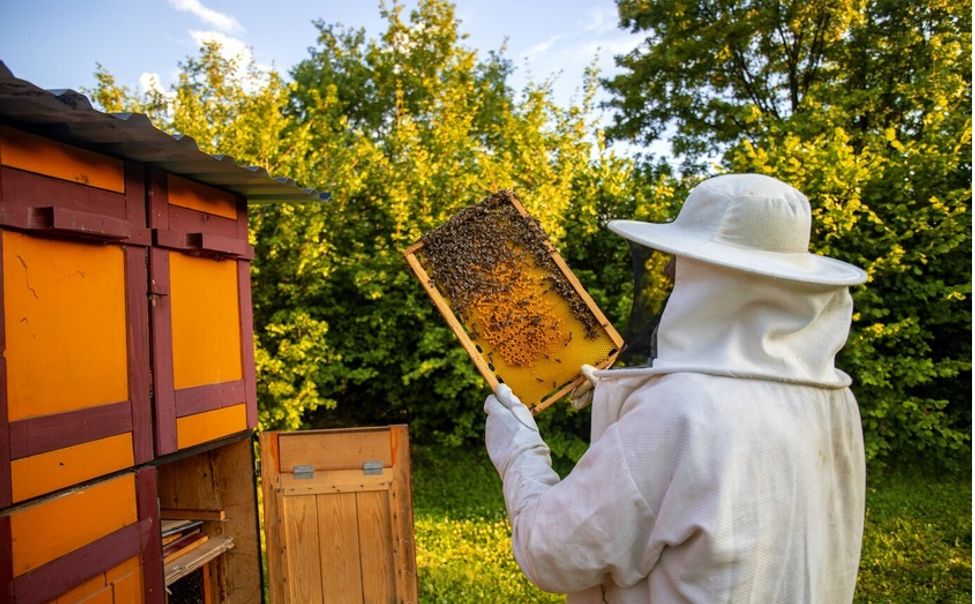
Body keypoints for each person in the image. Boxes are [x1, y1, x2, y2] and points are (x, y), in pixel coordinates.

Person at [484, 174, 867, 603]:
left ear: (715, 276)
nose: (668, 268)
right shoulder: (835, 400)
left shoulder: (679, 410)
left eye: (683, 257)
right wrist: (616, 396)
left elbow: (551, 552)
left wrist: (518, 451)